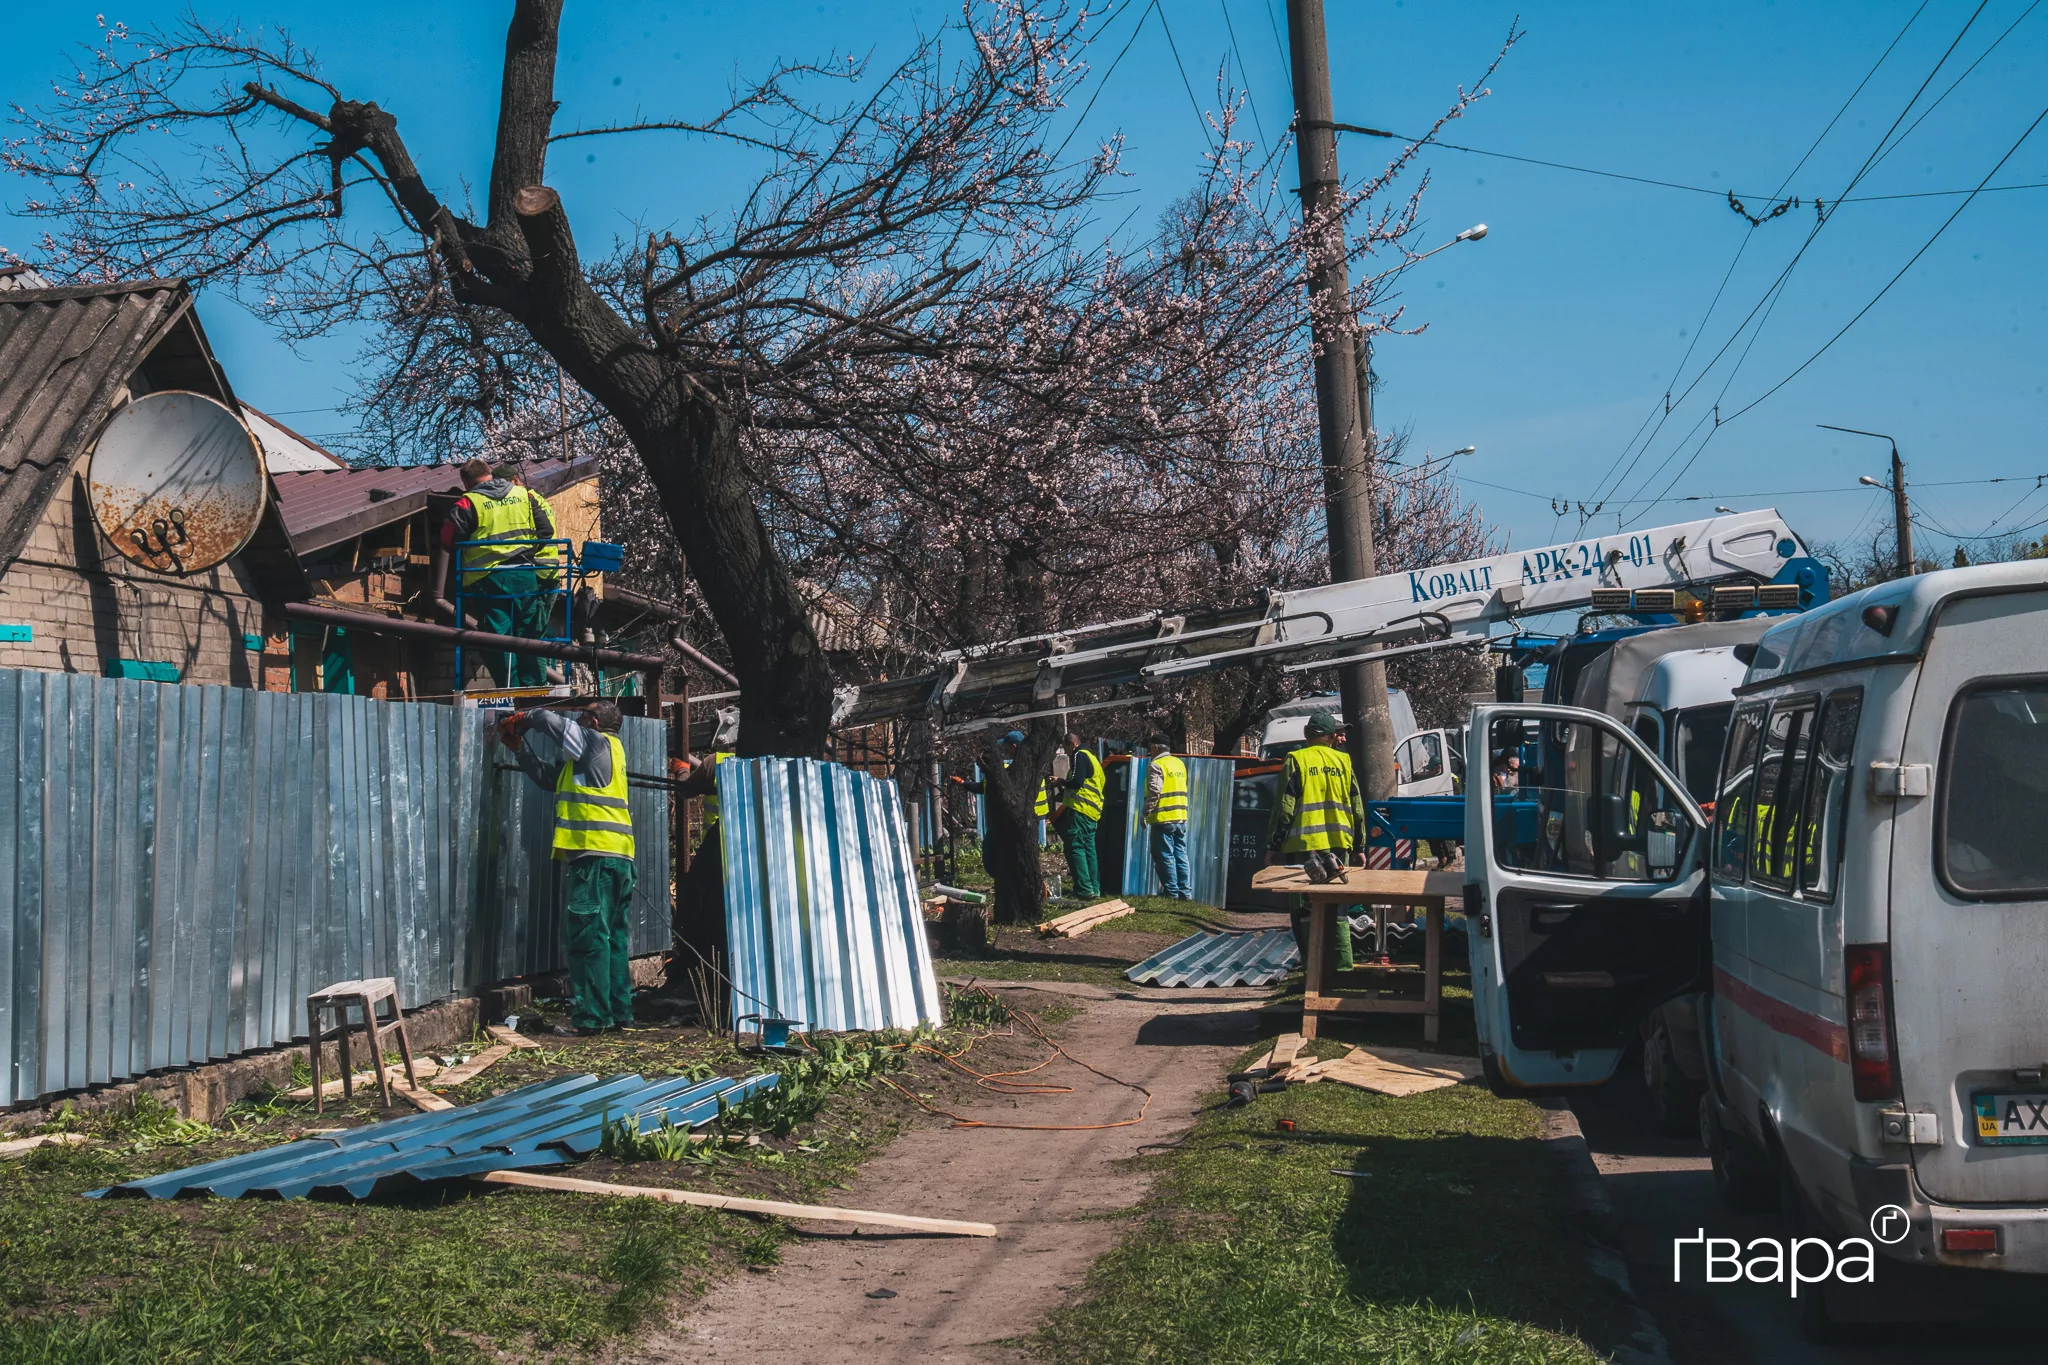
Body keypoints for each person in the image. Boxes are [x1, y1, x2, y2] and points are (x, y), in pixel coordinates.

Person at [498, 701, 637, 1035]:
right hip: (618, 859)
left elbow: (547, 719)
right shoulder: (607, 754)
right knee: (612, 941)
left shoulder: (594, 742)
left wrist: (522, 718)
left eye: (583, 713)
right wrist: (520, 749)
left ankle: (592, 1019)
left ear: (593, 721)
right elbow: (550, 780)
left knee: (587, 939)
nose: (577, 717)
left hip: (594, 860)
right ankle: (619, 1014)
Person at [442, 457, 557, 688]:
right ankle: (534, 687)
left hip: (488, 579)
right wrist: (524, 552)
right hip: (525, 575)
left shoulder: (467, 502)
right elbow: (546, 530)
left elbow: (448, 539)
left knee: (496, 637)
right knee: (531, 633)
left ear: (466, 482)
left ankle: (509, 688)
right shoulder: (524, 495)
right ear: (490, 474)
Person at [1266, 711, 1361, 972]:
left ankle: (1313, 967)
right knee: (1338, 908)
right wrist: (1359, 846)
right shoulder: (1344, 761)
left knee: (1303, 908)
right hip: (1339, 845)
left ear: (1307, 734)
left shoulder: (1296, 759)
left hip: (1303, 847)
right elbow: (1356, 805)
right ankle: (1342, 966)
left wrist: (1274, 844)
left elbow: (1285, 806)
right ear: (1332, 738)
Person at [1050, 732, 1106, 899]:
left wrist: (1059, 781)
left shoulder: (1079, 755)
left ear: (1071, 744)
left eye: (1066, 749)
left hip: (1080, 811)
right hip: (1092, 811)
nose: (1067, 753)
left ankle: (1083, 889)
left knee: (1075, 848)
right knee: (1089, 849)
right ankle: (1094, 889)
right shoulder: (1093, 758)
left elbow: (1076, 782)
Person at [1142, 736, 1192, 901]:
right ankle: (1185, 892)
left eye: (1150, 747)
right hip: (1180, 817)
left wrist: (1145, 813)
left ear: (1156, 747)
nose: (1149, 751)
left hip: (1163, 818)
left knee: (1165, 855)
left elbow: (1154, 792)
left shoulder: (1156, 765)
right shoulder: (1179, 763)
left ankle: (1171, 893)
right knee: (1181, 855)